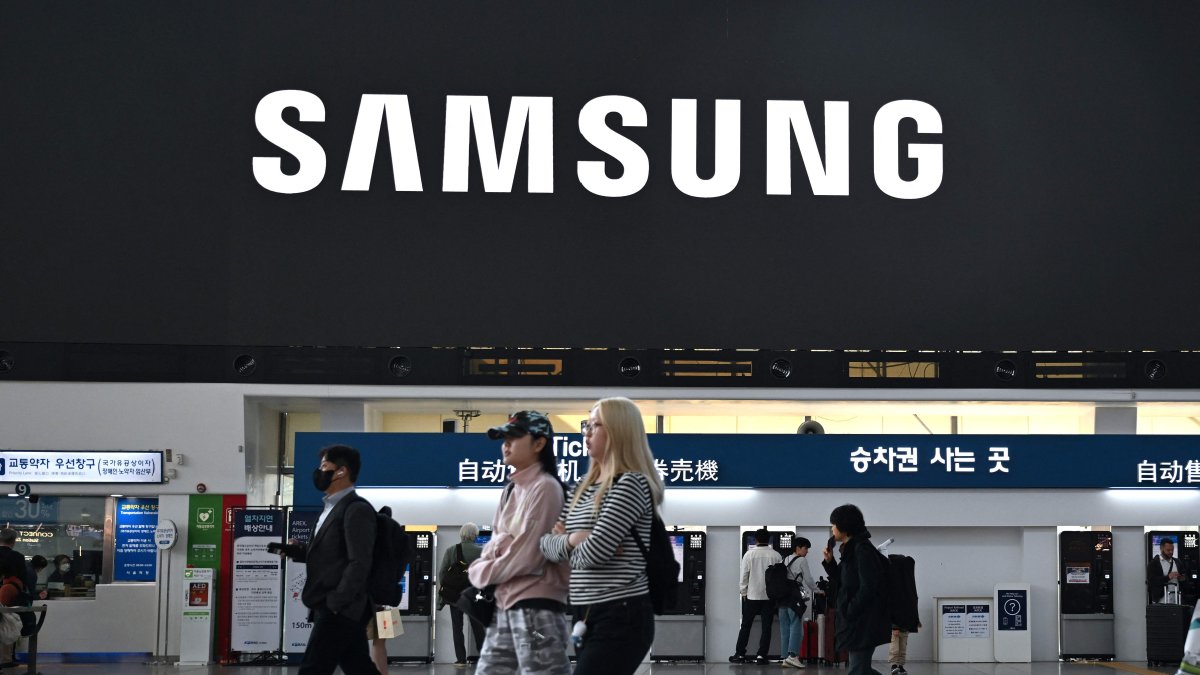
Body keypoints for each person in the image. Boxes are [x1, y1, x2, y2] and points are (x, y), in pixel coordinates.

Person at [540, 397, 665, 675]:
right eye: (587, 425)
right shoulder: (580, 489)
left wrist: (567, 540)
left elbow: (594, 554)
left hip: (622, 612)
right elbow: (544, 546)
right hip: (585, 611)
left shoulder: (631, 484)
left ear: (619, 432)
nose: (586, 432)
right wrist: (574, 539)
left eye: (596, 426)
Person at [468, 411, 571, 675]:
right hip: (505, 603)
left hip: (538, 606)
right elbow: (493, 545)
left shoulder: (546, 488)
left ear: (539, 444)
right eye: (504, 438)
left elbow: (528, 555)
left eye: (514, 437)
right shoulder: (511, 489)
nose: (506, 444)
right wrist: (503, 548)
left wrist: (480, 572)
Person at [277, 444, 381, 675]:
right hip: (338, 606)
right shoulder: (330, 509)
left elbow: (360, 561)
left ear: (341, 471)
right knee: (358, 666)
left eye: (324, 466)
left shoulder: (356, 509)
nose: (319, 472)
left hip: (340, 607)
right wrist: (298, 552)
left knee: (313, 668)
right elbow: (332, 556)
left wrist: (337, 601)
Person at [829, 504, 890, 675]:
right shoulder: (851, 550)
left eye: (834, 524)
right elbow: (845, 580)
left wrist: (850, 610)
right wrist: (830, 563)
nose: (832, 528)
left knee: (858, 669)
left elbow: (868, 587)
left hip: (861, 622)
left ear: (845, 527)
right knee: (862, 669)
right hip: (856, 622)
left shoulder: (862, 550)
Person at [730, 528, 782, 664]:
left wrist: (743, 592)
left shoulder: (749, 554)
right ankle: (761, 655)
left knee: (746, 625)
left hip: (752, 596)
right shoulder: (776, 555)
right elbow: (779, 577)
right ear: (768, 539)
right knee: (766, 627)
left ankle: (740, 654)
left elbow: (744, 576)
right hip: (769, 597)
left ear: (756, 540)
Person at [439, 522, 484, 666]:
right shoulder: (482, 551)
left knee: (457, 627)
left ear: (461, 534)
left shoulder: (451, 550)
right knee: (477, 627)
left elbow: (442, 572)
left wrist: (448, 588)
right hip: (474, 596)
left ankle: (461, 659)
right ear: (475, 535)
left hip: (455, 596)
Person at [367, 505, 397, 674]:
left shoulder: (371, 542)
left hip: (373, 600)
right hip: (385, 602)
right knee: (380, 642)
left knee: (376, 643)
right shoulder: (391, 543)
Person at [779, 536, 818, 669]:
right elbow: (808, 579)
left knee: (785, 628)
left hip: (782, 597)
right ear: (798, 548)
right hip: (794, 596)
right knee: (796, 626)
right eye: (805, 548)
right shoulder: (801, 560)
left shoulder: (784, 559)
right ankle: (793, 656)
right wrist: (817, 590)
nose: (807, 551)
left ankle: (785, 658)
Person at [1148, 537, 1185, 603]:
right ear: (1161, 549)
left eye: (1172, 550)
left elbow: (1184, 577)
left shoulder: (1177, 562)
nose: (1171, 552)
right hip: (1160, 601)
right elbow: (1152, 581)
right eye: (1168, 550)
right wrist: (1168, 577)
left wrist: (1181, 578)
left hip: (1176, 600)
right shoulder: (1154, 563)